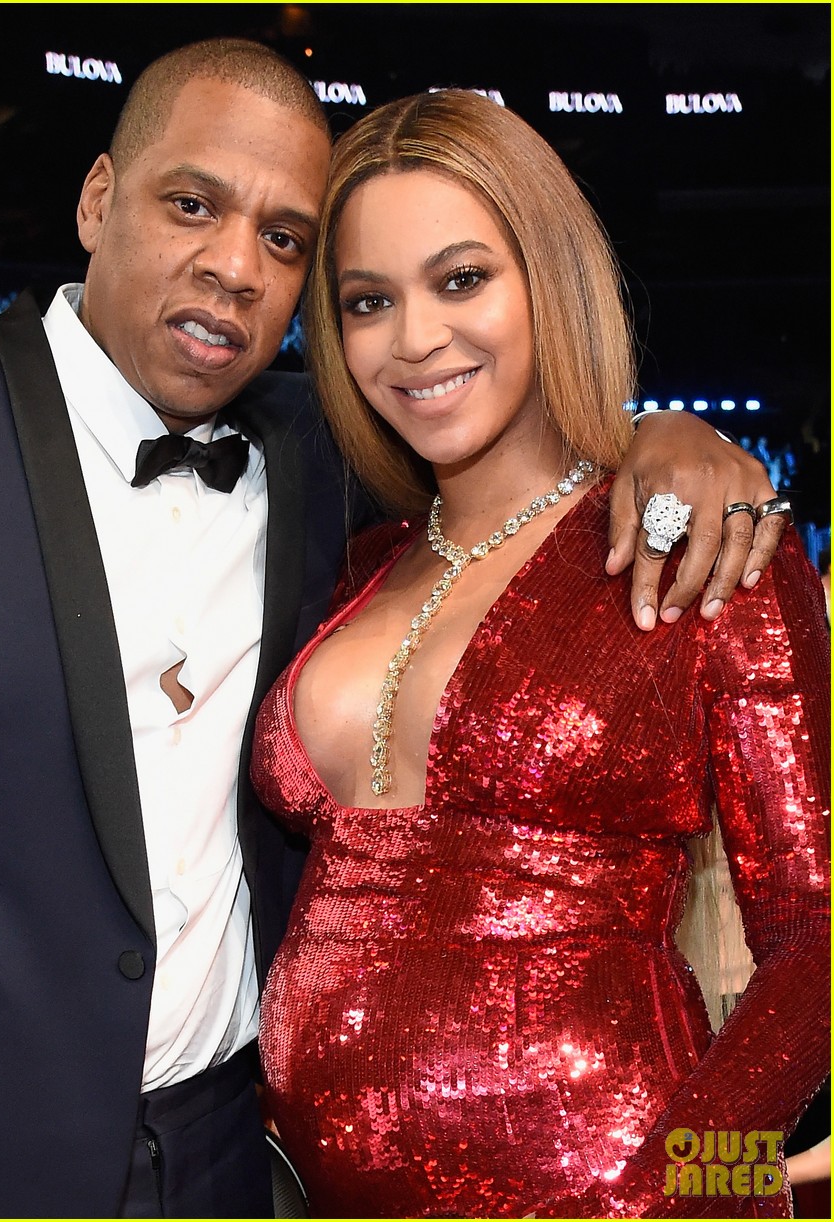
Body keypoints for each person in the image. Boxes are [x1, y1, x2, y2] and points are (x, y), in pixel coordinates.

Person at [0, 38, 784, 1219]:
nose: (236, 266)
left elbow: (808, 937)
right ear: (96, 200)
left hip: (237, 1171)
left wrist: (671, 437)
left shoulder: (321, 470)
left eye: (286, 239)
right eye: (192, 204)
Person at [253, 89, 831, 1218]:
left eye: (461, 278)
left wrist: (682, 1186)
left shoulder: (703, 549)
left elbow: (816, 939)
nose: (414, 339)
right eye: (369, 300)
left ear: (548, 278)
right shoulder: (352, 562)